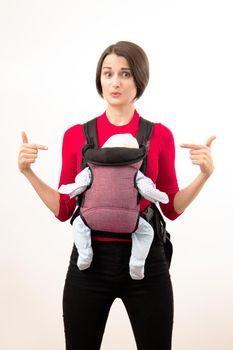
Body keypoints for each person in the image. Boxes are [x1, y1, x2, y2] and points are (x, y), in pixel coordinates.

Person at [18, 41, 215, 350]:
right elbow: (63, 207)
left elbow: (172, 207)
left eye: (125, 73)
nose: (115, 82)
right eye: (108, 73)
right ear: (100, 79)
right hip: (89, 265)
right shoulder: (77, 136)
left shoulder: (159, 135)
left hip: (146, 263)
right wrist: (28, 173)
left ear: (139, 79)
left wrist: (204, 175)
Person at [58, 133, 169, 279]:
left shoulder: (91, 168)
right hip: (129, 221)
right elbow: (148, 191)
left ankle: (85, 254)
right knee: (147, 231)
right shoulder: (136, 172)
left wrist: (65, 190)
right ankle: (137, 263)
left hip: (91, 217)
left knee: (78, 223)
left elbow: (78, 186)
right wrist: (162, 197)